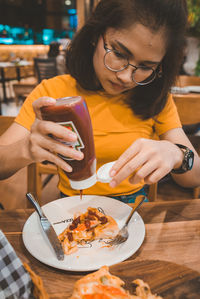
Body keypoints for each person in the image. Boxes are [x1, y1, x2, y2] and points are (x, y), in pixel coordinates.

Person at [0, 0, 200, 204]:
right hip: (70, 210)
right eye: (119, 54)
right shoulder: (53, 92)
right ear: (96, 35)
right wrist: (26, 149)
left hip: (134, 216)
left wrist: (177, 154)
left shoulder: (156, 99)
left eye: (146, 66)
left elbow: (194, 178)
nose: (126, 76)